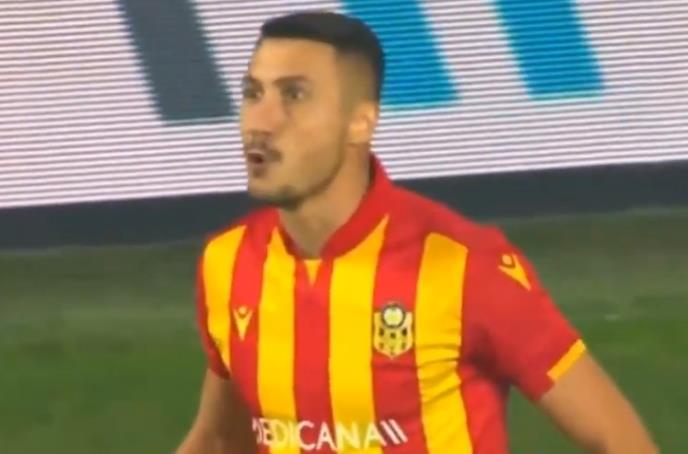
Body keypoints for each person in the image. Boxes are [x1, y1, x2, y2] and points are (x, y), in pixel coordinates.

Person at [176, 11, 658, 454]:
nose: (260, 122)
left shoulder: (463, 266)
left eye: (294, 96)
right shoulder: (228, 261)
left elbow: (620, 440)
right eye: (253, 93)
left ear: (360, 122)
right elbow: (220, 440)